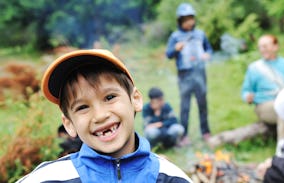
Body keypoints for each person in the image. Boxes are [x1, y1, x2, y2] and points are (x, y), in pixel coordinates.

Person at [17, 49, 192, 182]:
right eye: (83, 107)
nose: (100, 116)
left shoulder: (171, 178)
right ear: (69, 123)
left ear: (136, 100)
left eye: (109, 97)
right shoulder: (48, 179)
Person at [241, 34, 284, 151]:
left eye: (265, 46)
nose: (262, 50)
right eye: (260, 47)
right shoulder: (254, 68)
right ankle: (282, 151)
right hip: (264, 106)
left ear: (275, 47)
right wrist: (247, 96)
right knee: (282, 110)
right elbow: (245, 90)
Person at [166, 3, 213, 146]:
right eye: (185, 20)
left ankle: (205, 132)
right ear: (180, 21)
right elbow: (168, 54)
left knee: (202, 103)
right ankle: (184, 134)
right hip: (184, 74)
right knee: (185, 105)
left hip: (199, 72)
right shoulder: (175, 36)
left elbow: (209, 50)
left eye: (190, 19)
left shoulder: (200, 34)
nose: (188, 22)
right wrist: (175, 49)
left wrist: (207, 55)